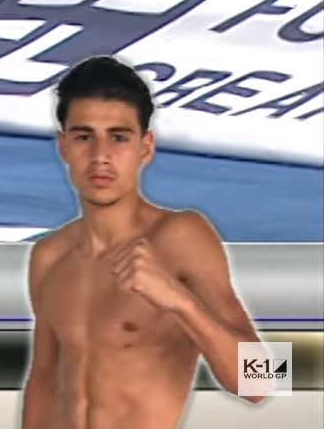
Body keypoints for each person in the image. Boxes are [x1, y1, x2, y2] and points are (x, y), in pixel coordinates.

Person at [24, 56, 268, 428]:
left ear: (146, 146)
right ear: (63, 146)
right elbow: (43, 379)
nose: (100, 156)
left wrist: (180, 302)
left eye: (118, 137)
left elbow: (263, 379)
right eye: (84, 136)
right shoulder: (48, 255)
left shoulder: (181, 234)